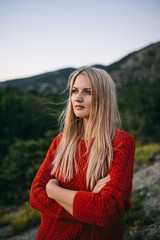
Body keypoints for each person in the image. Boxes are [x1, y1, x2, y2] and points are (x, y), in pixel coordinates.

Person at [30, 67, 135, 240]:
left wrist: (53, 191)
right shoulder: (60, 142)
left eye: (87, 92)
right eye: (74, 91)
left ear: (103, 97)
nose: (77, 98)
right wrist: (89, 205)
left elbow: (108, 211)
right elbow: (36, 195)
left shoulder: (121, 143)